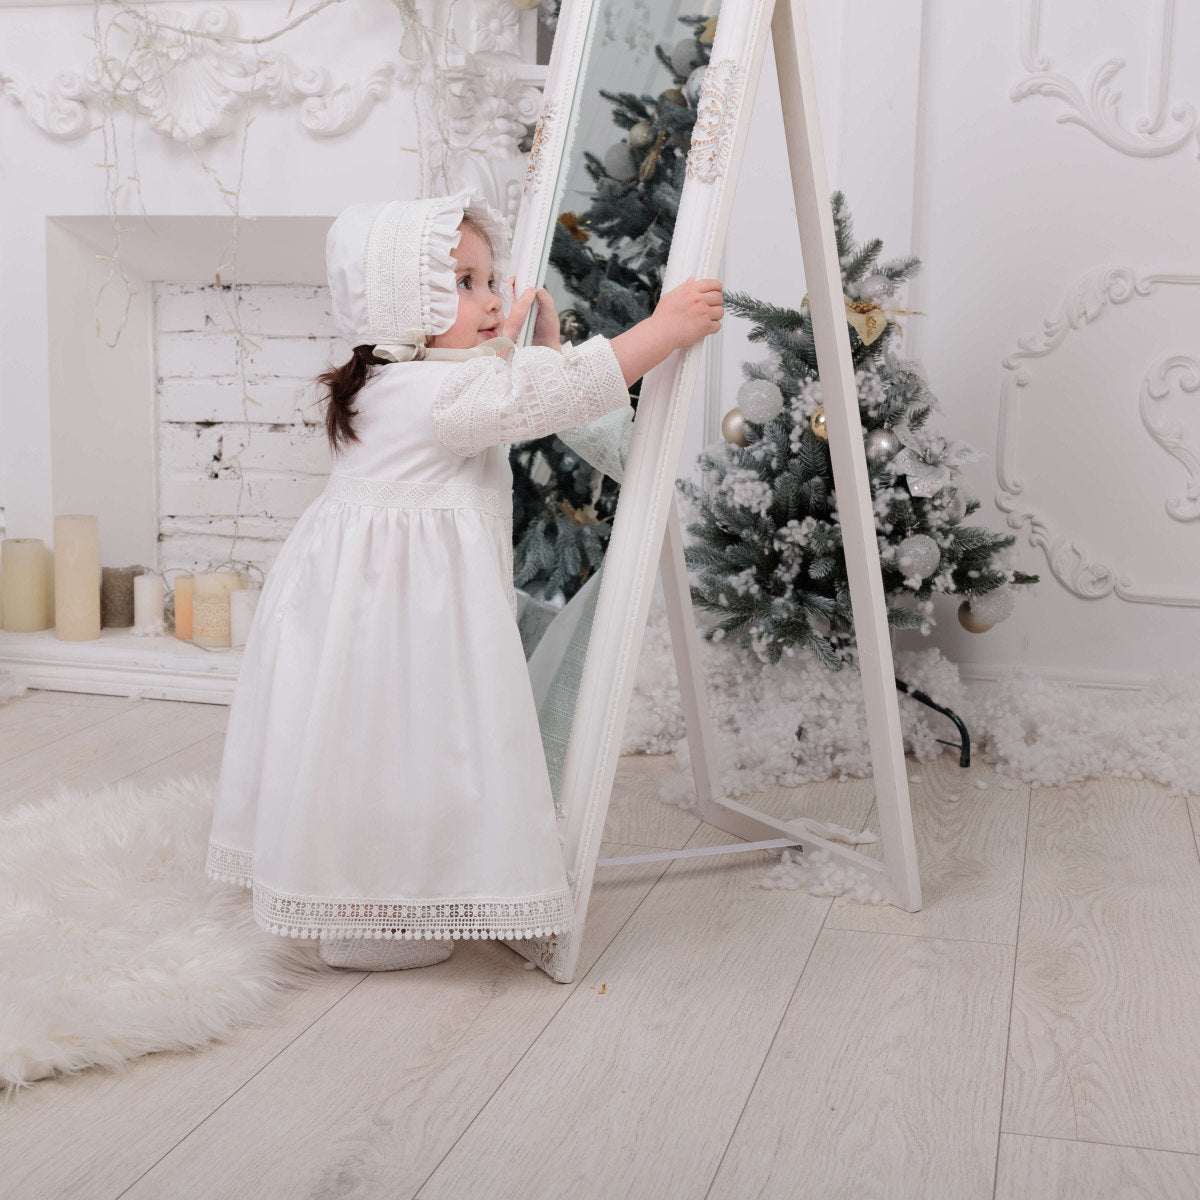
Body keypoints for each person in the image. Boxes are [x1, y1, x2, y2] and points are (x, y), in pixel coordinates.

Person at [205, 190, 722, 971]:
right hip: (400, 616)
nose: (490, 300)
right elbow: (539, 396)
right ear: (402, 303)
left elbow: (502, 388)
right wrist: (663, 330)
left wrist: (528, 347)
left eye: (488, 280)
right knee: (405, 748)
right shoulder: (441, 393)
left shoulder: (394, 382)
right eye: (465, 283)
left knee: (367, 748)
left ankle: (362, 889)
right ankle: (375, 909)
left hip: (362, 607)